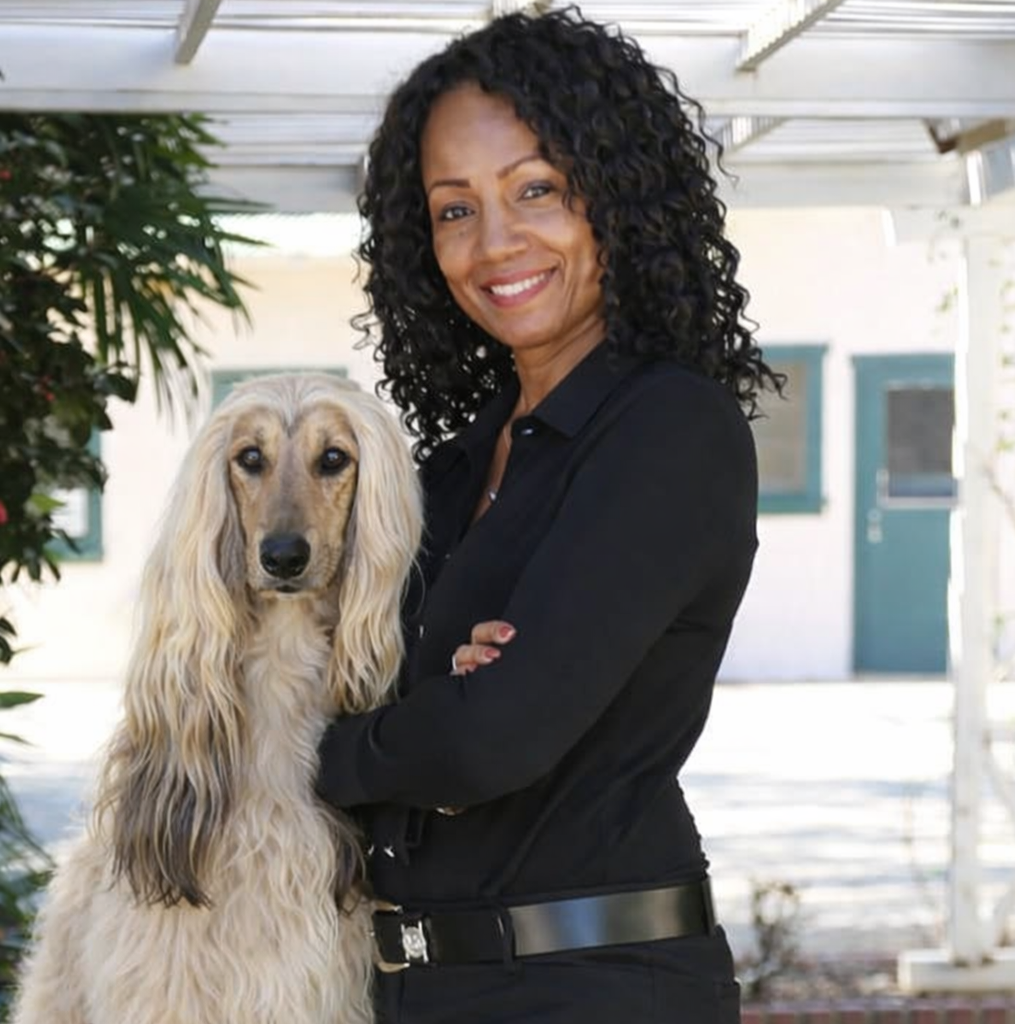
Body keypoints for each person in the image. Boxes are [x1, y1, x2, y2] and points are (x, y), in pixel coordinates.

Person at [315, 8, 783, 1022]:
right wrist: (434, 709)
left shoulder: (669, 430)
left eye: (536, 190)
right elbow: (357, 685)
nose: (494, 243)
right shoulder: (444, 471)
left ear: (613, 196)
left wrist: (332, 749)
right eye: (452, 209)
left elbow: (492, 742)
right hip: (412, 987)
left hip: (593, 985)